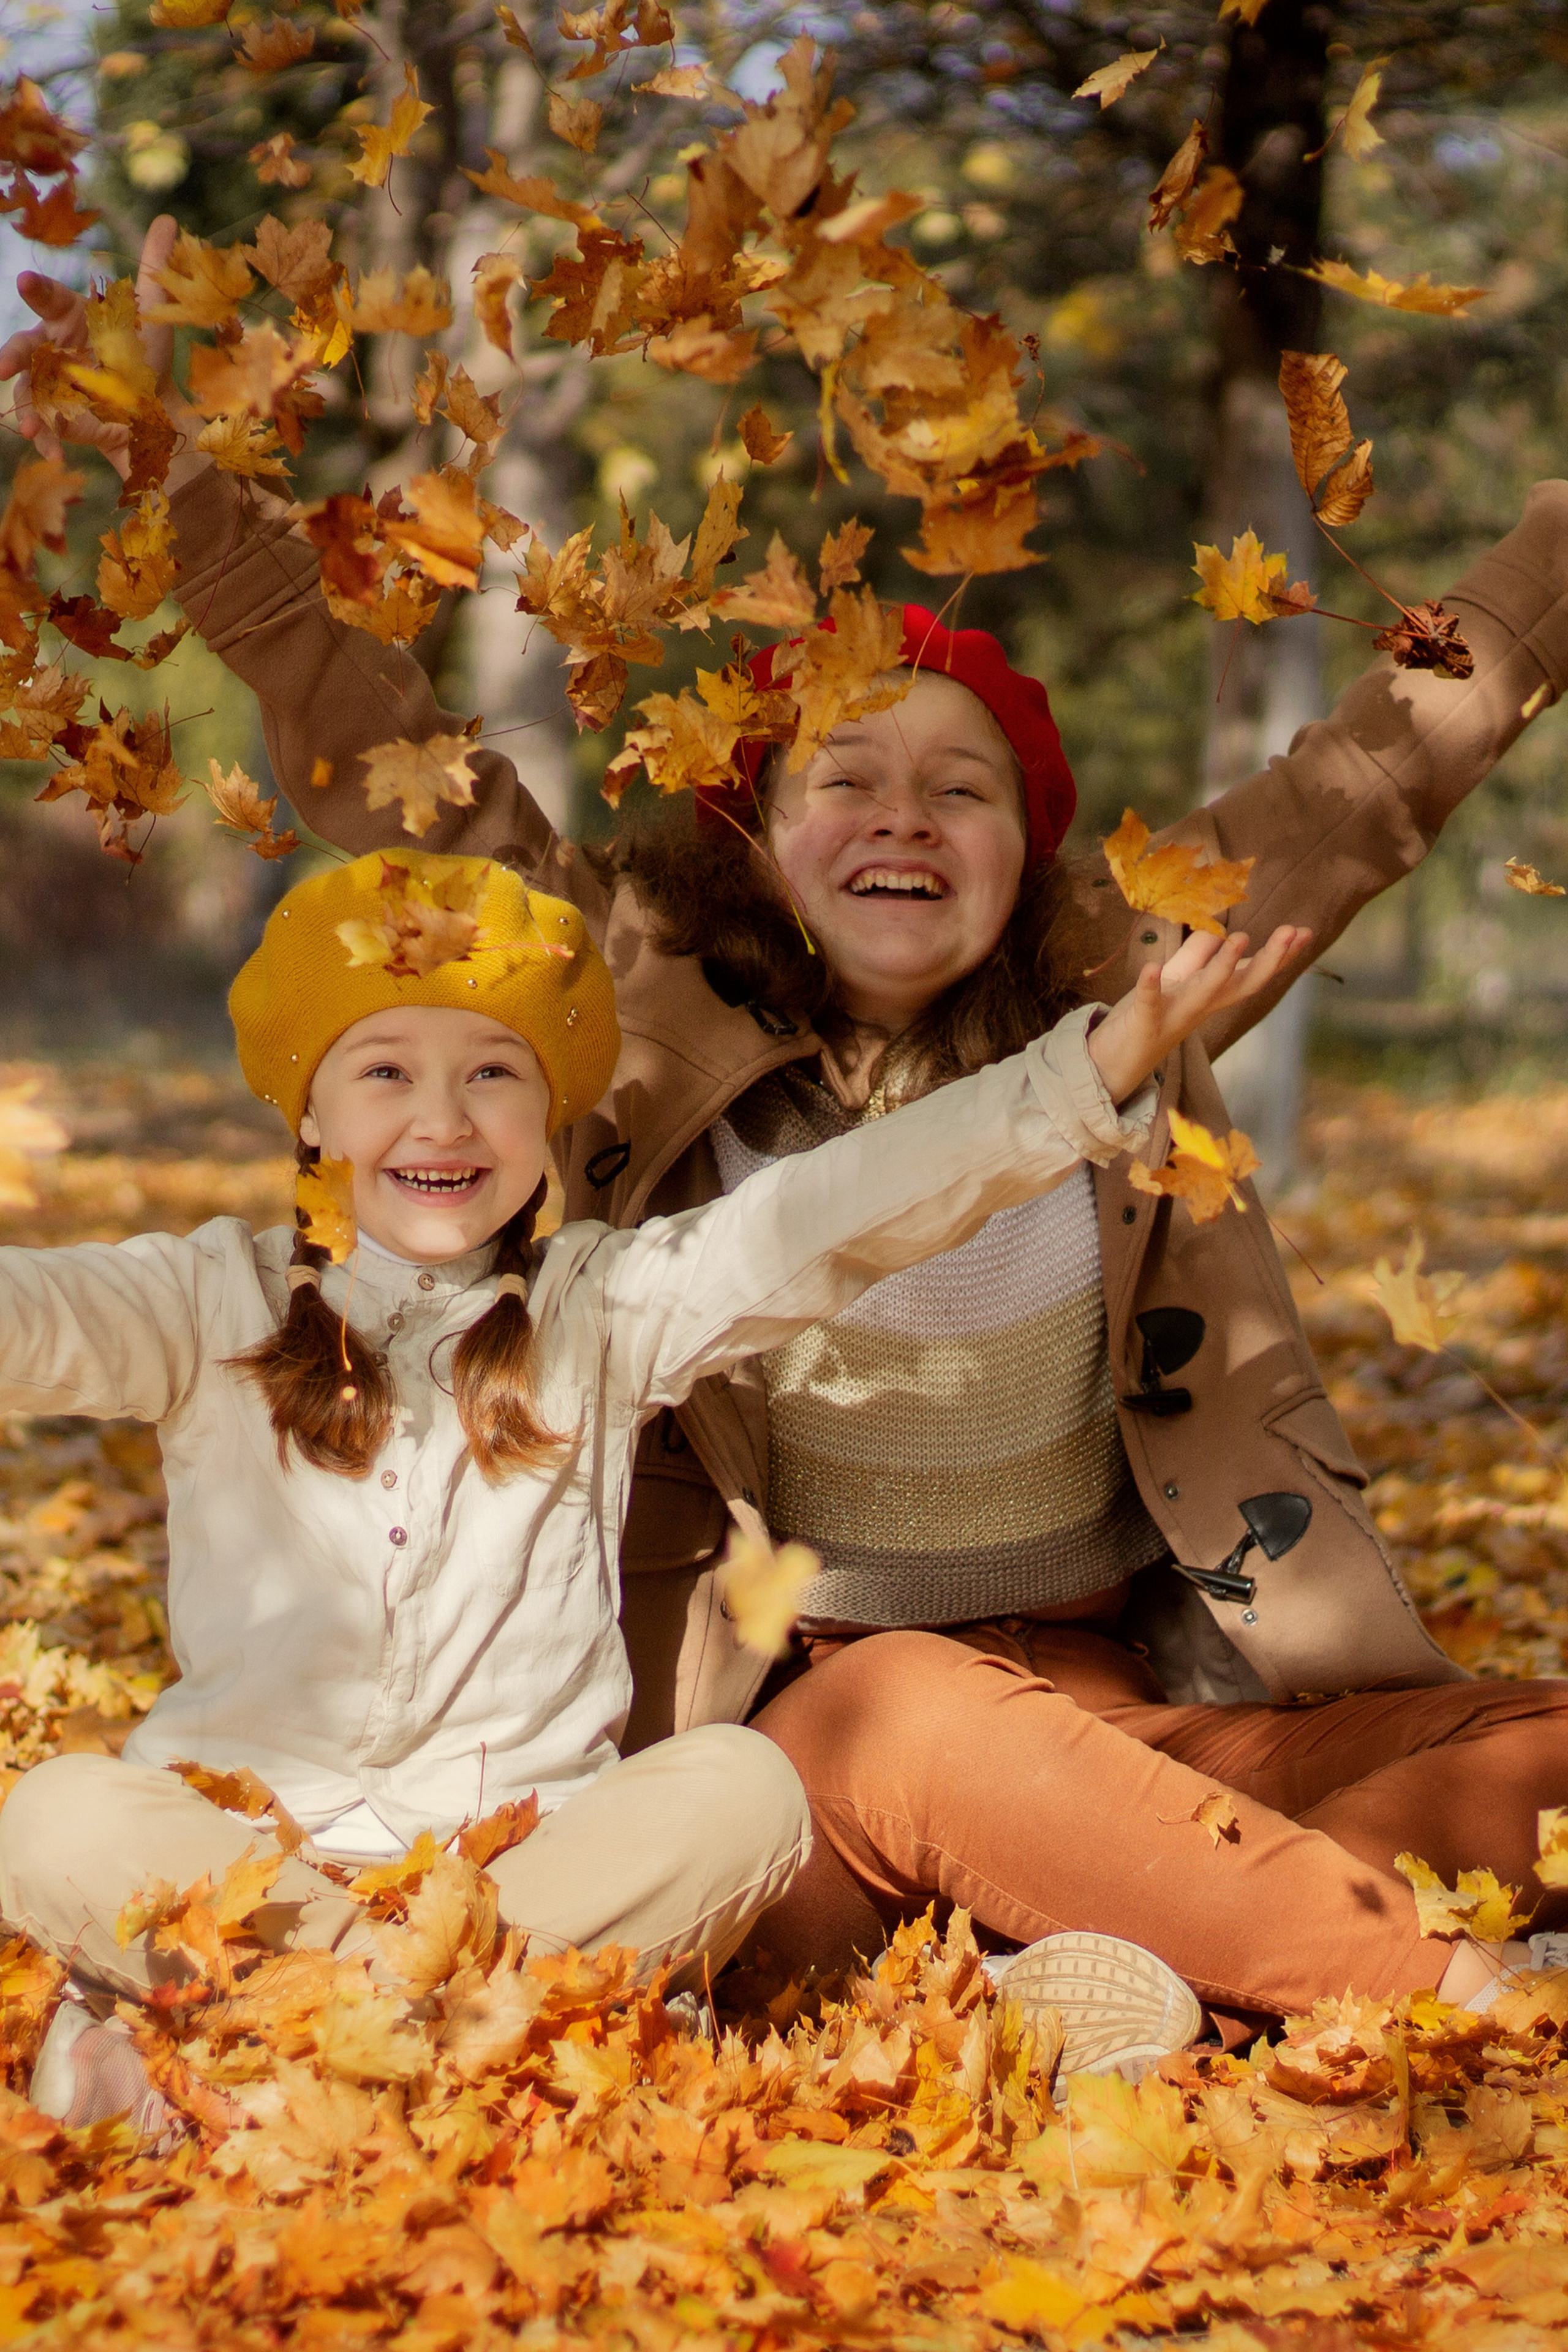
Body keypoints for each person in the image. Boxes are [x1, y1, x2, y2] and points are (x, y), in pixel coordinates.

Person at [5, 222, 1568, 2051]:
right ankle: (1417, 1989)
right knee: (911, 1713)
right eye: (848, 777)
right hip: (797, 1735)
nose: (906, 813)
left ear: (1025, 847)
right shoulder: (627, 981)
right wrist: (187, 506)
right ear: (758, 835)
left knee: (1515, 1749)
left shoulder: (1133, 983)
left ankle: (1106, 1959)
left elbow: (1377, 775)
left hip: (1121, 1700)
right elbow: (384, 752)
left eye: (962, 786)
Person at [0, 844, 1290, 2129]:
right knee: (53, 1816)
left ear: (545, 1111)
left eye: (492, 1075)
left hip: (531, 1879)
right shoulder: (201, 1298)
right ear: (312, 1114)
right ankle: (441, 2037)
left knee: (741, 1788)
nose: (442, 1120)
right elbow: (27, 1316)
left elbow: (838, 1214)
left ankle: (263, 2045)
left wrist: (1082, 1077)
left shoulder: (600, 1305)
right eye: (385, 1071)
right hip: (247, 1868)